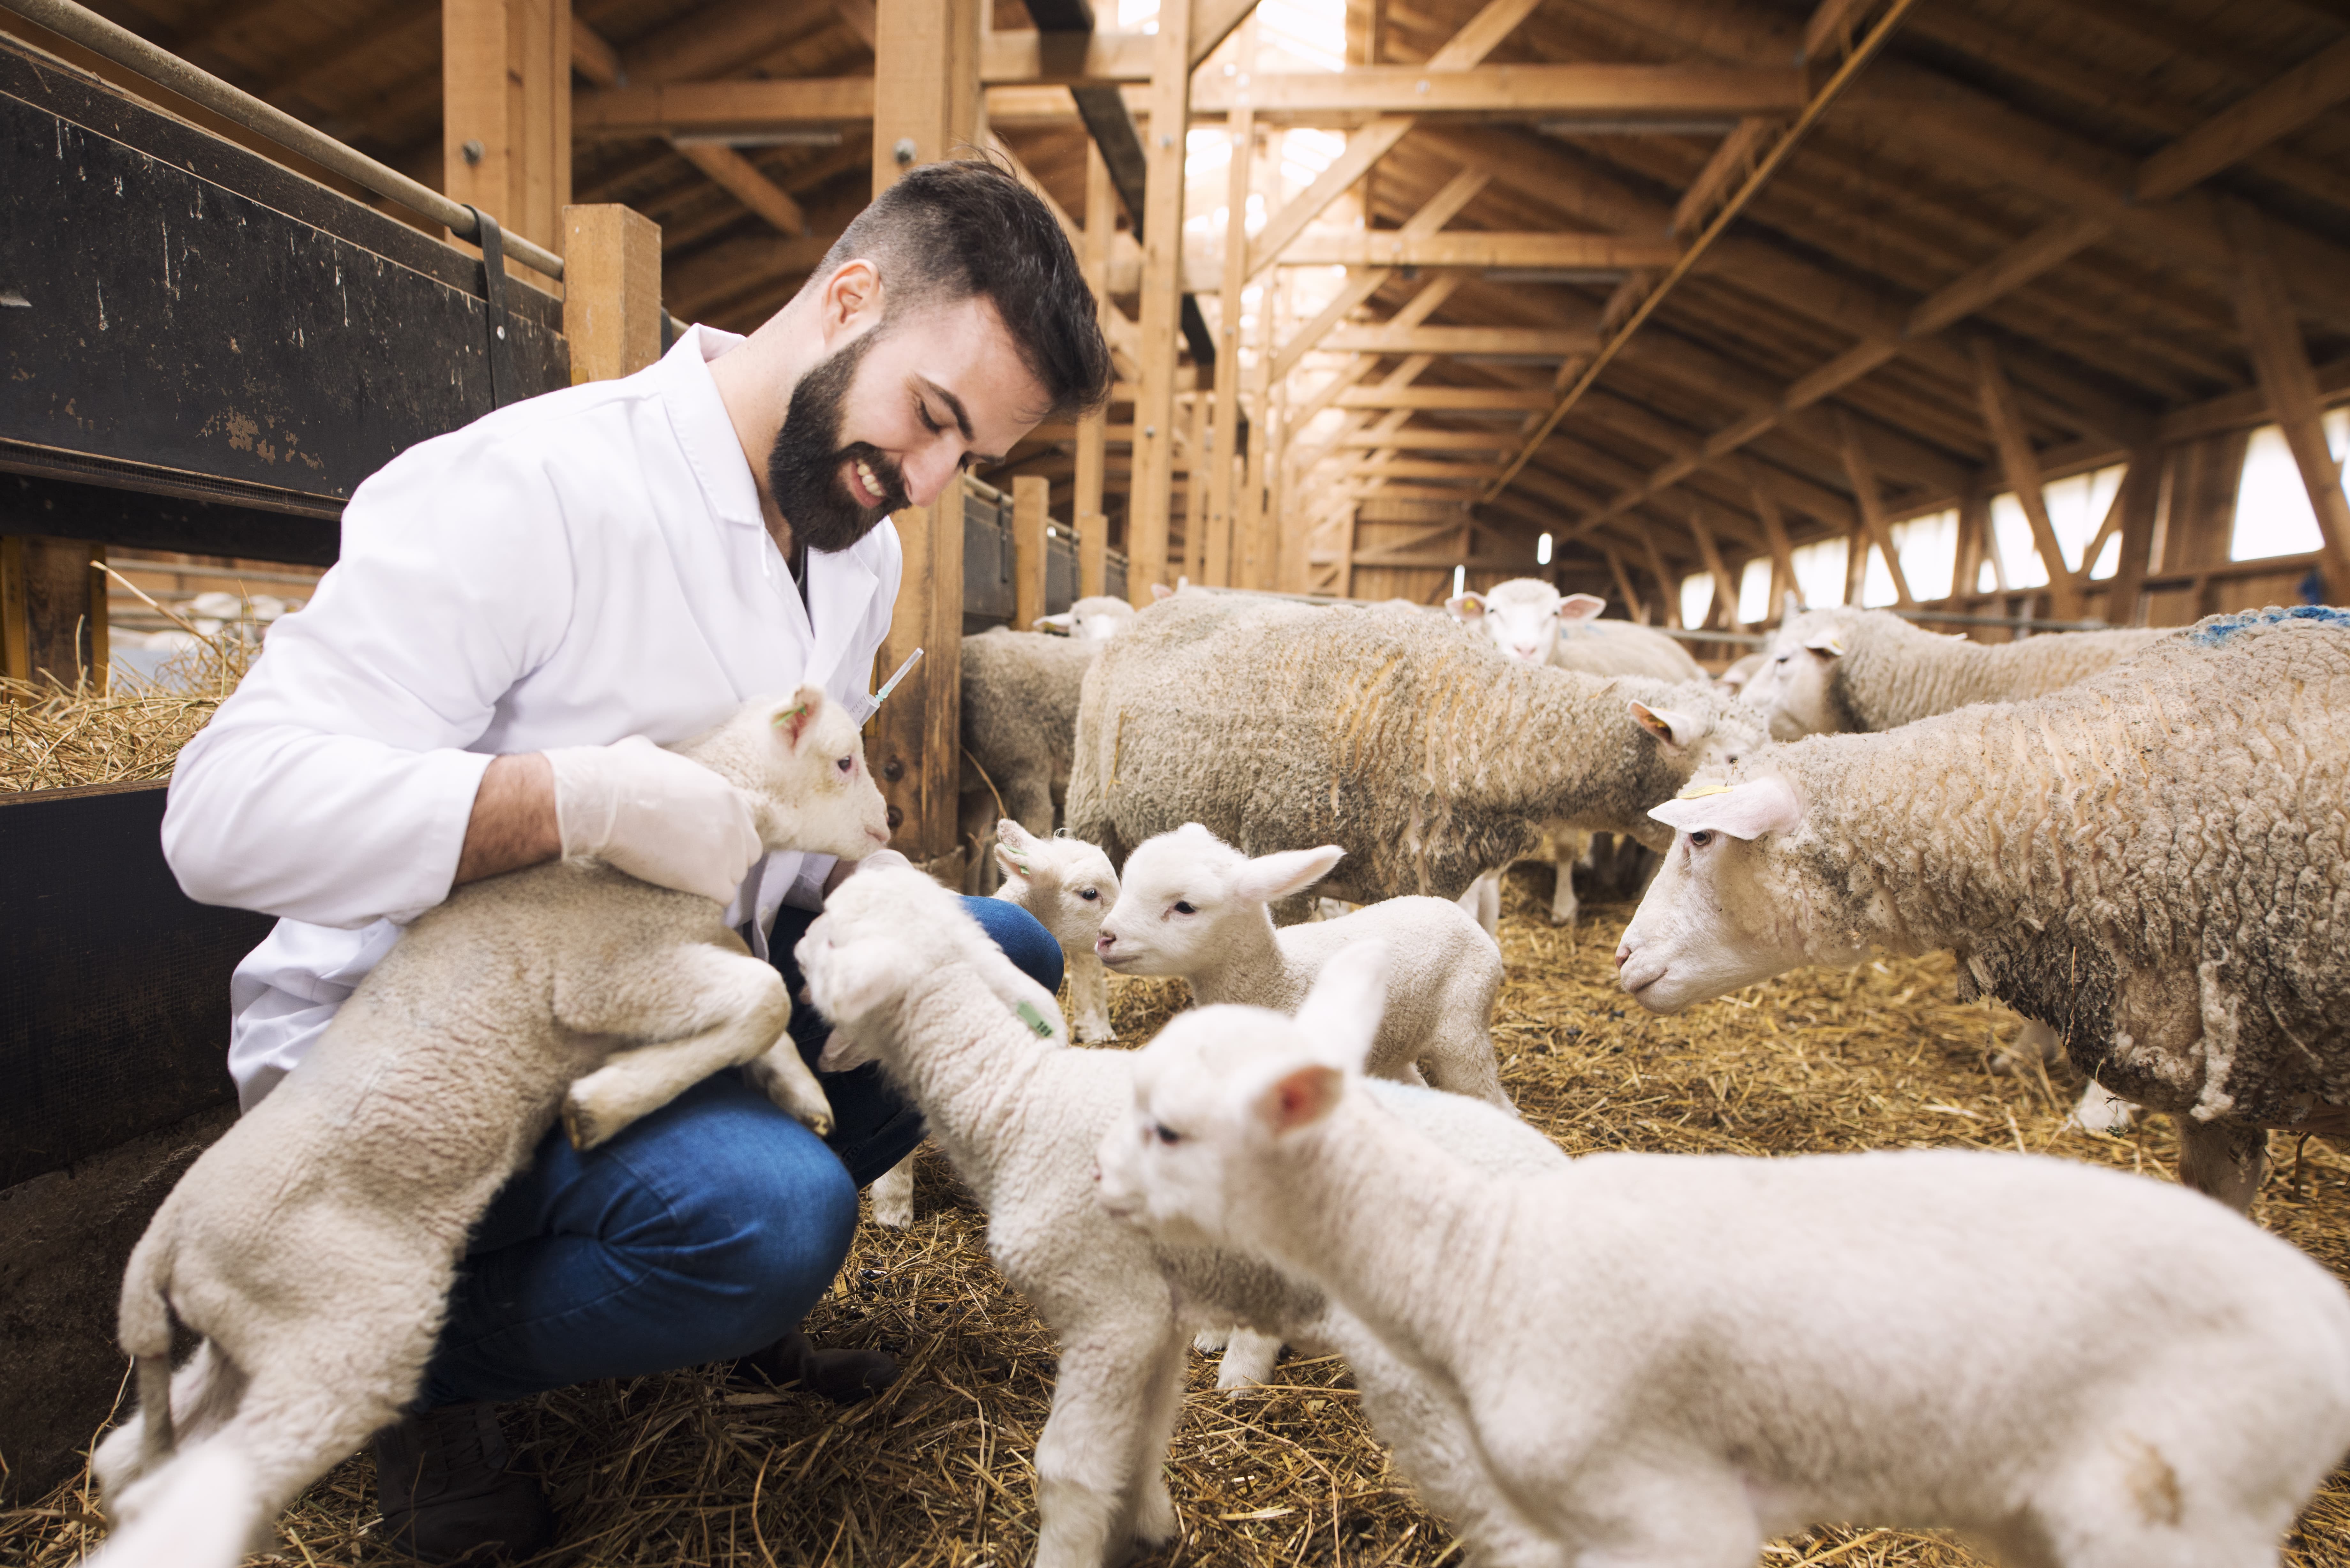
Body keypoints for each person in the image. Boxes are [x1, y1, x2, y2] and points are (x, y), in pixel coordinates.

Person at [160, 158, 1114, 1562]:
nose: (923, 481)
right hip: (425, 1056)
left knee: (1000, 959)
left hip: (654, 985)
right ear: (848, 298)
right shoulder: (533, 485)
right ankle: (377, 1362)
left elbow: (774, 838)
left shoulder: (850, 541)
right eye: (929, 418)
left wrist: (860, 877)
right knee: (771, 1219)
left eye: (965, 459)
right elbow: (221, 814)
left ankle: (680, 1303)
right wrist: (572, 799)